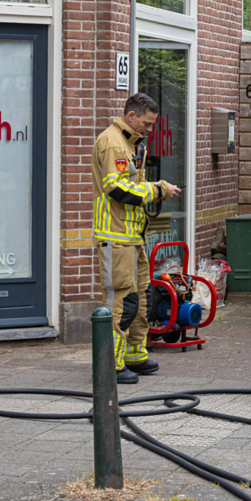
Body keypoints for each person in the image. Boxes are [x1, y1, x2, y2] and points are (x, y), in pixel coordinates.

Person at [92, 93, 181, 384]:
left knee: (141, 297)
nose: (150, 129)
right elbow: (117, 189)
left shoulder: (131, 143)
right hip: (115, 236)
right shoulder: (113, 142)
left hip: (132, 237)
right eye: (147, 123)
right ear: (131, 116)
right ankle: (111, 364)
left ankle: (134, 355)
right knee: (121, 300)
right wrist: (158, 190)